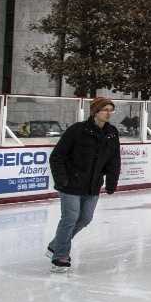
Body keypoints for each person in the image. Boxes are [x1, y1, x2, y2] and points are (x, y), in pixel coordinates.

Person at [46, 97, 122, 268]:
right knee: (70, 218)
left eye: (111, 110)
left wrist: (111, 182)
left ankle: (55, 245)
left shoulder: (112, 133)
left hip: (92, 185)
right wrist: (62, 179)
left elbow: (114, 160)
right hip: (71, 184)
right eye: (105, 110)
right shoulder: (77, 130)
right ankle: (60, 256)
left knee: (85, 218)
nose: (109, 113)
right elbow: (57, 156)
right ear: (95, 111)